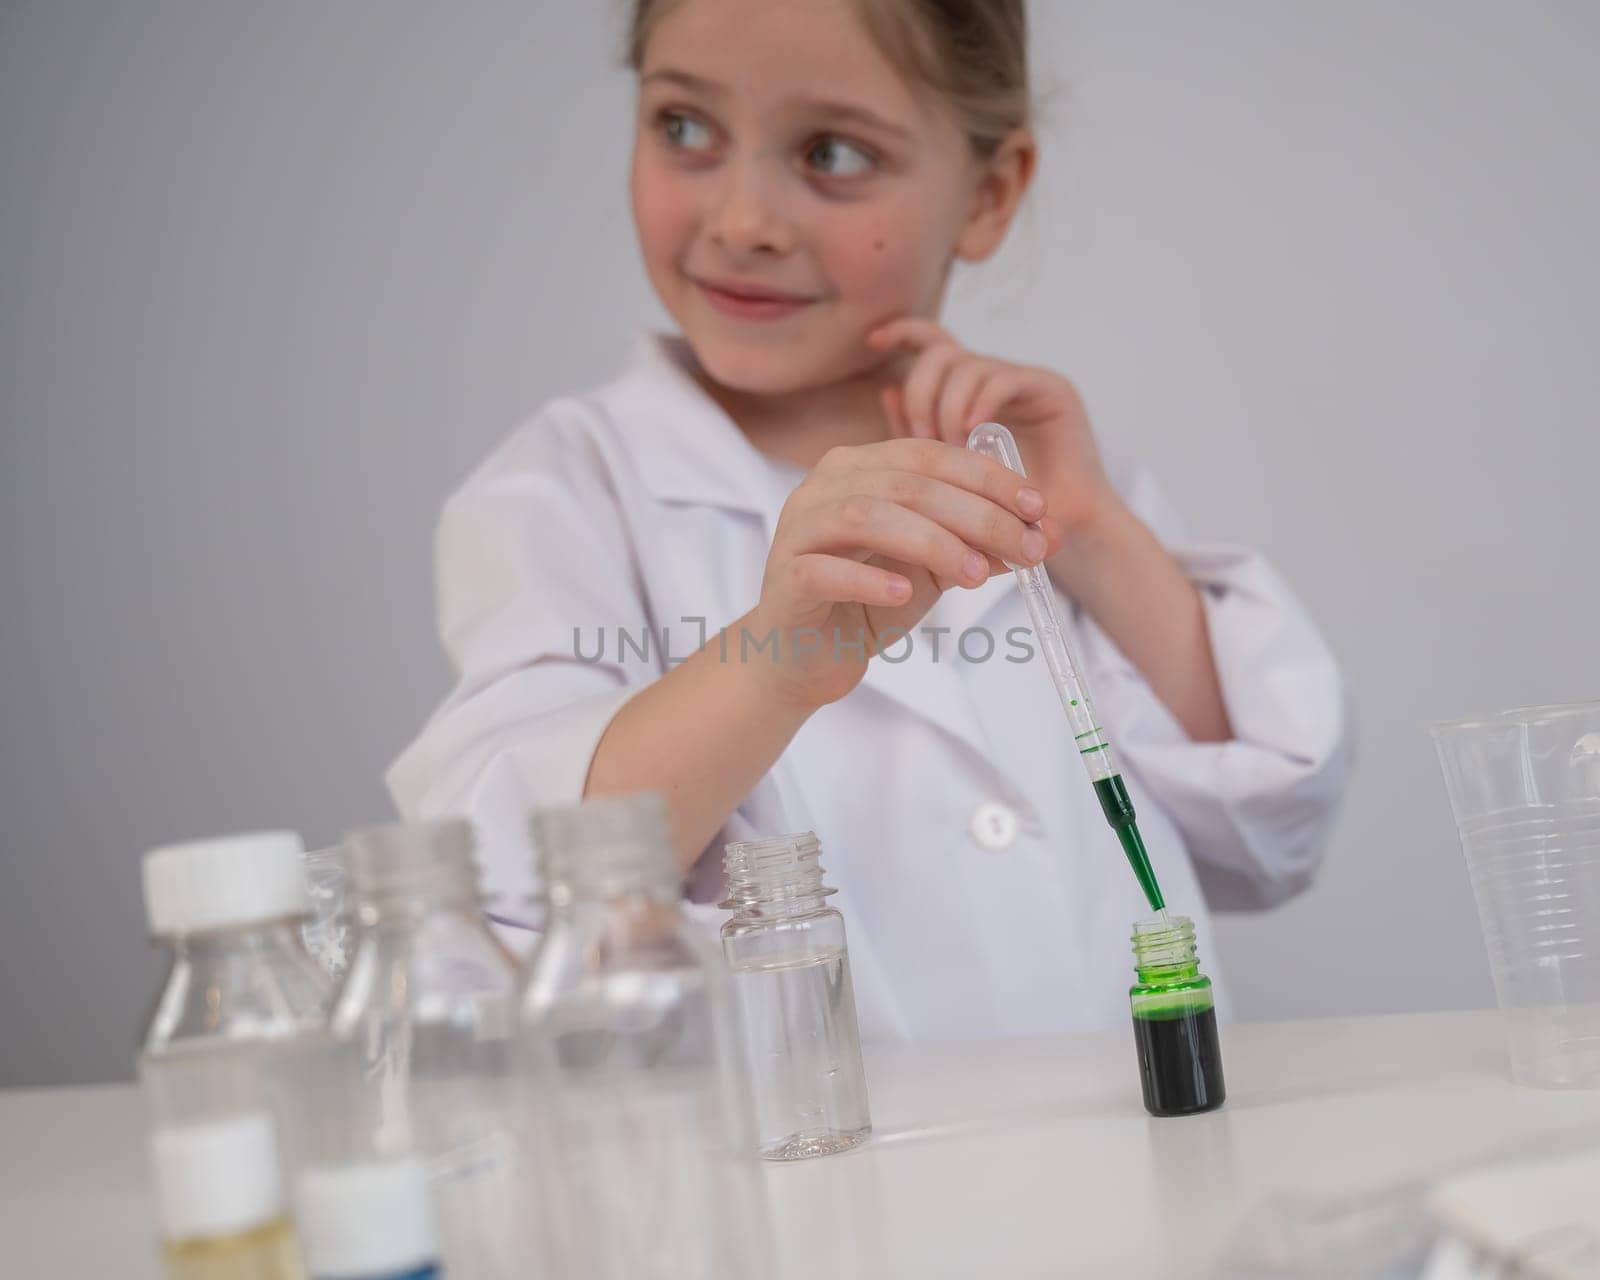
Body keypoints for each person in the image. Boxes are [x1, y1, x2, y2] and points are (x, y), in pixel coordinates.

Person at [387, 0, 1353, 1041]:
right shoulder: (569, 489)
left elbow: (1269, 835)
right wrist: (776, 662)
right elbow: (510, 873)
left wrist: (1096, 535)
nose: (742, 219)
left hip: (1141, 1147)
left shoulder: (1045, 466)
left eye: (831, 152)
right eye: (683, 129)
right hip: (822, 1183)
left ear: (988, 194)